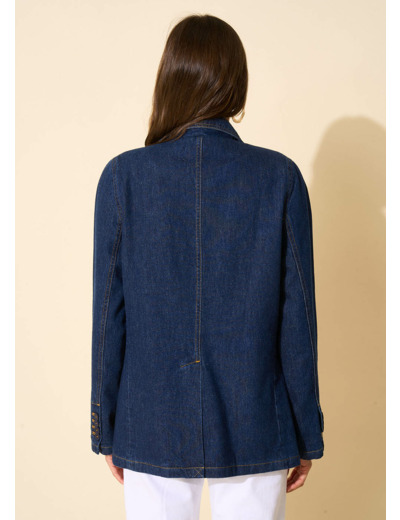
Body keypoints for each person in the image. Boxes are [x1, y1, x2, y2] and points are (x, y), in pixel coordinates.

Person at [90, 13, 325, 520]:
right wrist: (307, 432)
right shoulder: (280, 178)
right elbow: (298, 322)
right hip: (255, 421)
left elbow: (108, 316)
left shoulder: (122, 178)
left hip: (149, 421)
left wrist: (106, 426)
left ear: (169, 80)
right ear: (236, 82)